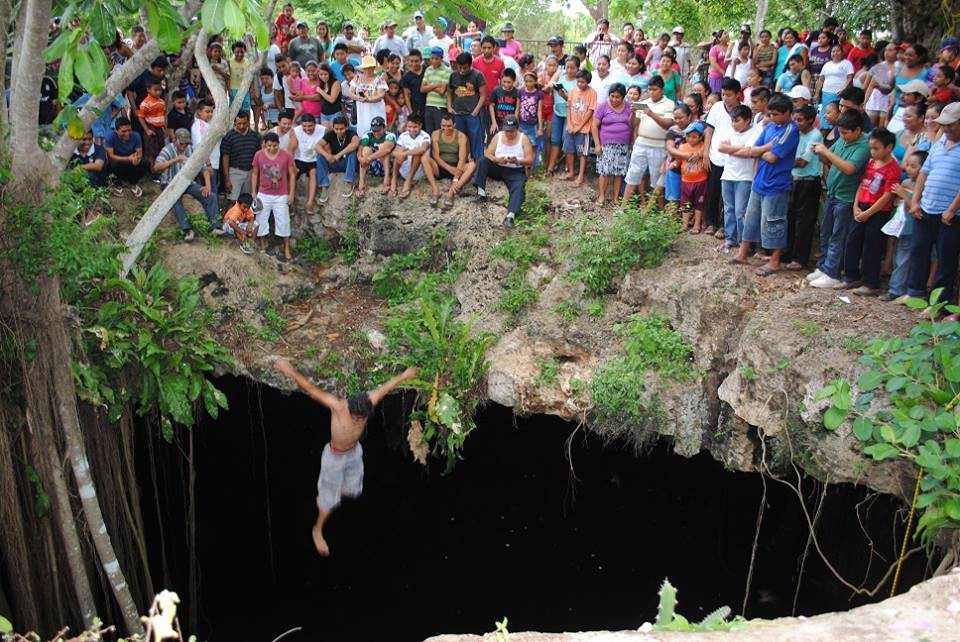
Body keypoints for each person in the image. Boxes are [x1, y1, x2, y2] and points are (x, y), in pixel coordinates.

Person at [272, 357, 418, 557]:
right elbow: (310, 389)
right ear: (348, 408)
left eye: (362, 418)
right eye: (355, 417)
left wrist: (405, 375)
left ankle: (329, 495)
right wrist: (287, 370)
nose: (358, 421)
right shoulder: (338, 406)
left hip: (354, 453)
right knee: (328, 502)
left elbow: (387, 386)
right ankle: (318, 529)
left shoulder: (369, 400)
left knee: (353, 491)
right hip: (334, 457)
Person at [731, 93, 800, 275]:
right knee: (751, 219)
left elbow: (772, 157)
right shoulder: (770, 128)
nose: (773, 117)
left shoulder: (790, 130)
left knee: (774, 221)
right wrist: (765, 148)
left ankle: (775, 260)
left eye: (777, 114)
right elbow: (754, 150)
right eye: (771, 114)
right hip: (760, 180)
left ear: (787, 113)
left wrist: (761, 151)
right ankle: (743, 253)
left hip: (777, 184)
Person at [807, 109, 871, 288]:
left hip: (847, 197)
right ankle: (824, 266)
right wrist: (819, 152)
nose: (842, 136)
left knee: (838, 235)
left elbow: (849, 168)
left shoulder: (864, 146)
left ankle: (832, 272)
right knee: (826, 233)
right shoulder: (843, 141)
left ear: (857, 130)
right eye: (840, 132)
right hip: (834, 193)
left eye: (845, 132)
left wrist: (826, 153)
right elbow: (828, 158)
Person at [906, 102, 960, 304]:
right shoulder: (939, 144)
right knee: (918, 251)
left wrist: (952, 209)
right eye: (944, 125)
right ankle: (914, 292)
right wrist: (915, 201)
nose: (946, 129)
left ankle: (939, 303)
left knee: (946, 260)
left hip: (950, 214)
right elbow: (924, 173)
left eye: (951, 125)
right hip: (926, 207)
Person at [841, 127, 901, 295]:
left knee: (872, 247)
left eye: (876, 148)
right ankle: (851, 275)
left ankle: (871, 282)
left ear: (888, 148)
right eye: (871, 148)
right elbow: (862, 184)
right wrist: (856, 206)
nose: (872, 151)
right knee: (852, 241)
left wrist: (869, 213)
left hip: (878, 212)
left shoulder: (893, 169)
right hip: (862, 207)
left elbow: (887, 196)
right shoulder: (872, 162)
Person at [152, 128, 220, 242]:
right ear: (176, 140)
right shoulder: (168, 149)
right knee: (174, 199)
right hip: (170, 183)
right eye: (182, 143)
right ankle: (187, 229)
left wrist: (207, 186)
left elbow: (203, 168)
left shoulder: (191, 149)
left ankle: (215, 226)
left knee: (211, 196)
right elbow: (156, 167)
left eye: (186, 143)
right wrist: (175, 160)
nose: (184, 146)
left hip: (187, 183)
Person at [472, 114, 533, 228]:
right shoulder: (498, 136)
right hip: (498, 167)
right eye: (507, 131)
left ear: (517, 129)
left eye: (512, 131)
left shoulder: (523, 139)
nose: (509, 134)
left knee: (519, 185)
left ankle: (510, 215)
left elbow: (530, 160)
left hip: (515, 171)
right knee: (483, 160)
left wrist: (518, 161)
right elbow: (488, 154)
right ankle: (481, 193)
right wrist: (497, 159)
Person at [881, 150, 926, 302]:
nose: (908, 168)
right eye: (907, 165)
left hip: (912, 227)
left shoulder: (924, 186)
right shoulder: (906, 183)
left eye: (914, 166)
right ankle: (898, 286)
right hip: (900, 226)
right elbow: (898, 204)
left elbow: (917, 207)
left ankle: (896, 289)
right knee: (897, 257)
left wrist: (905, 195)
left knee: (903, 259)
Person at [783, 105, 823, 271]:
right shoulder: (794, 132)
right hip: (794, 178)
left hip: (809, 181)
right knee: (790, 217)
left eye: (800, 120)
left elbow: (803, 161)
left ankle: (800, 258)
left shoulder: (815, 135)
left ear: (811, 120)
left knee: (804, 221)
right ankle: (787, 253)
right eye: (795, 119)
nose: (796, 123)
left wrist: (781, 160)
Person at [623, 75, 674, 204]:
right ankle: (623, 207)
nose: (652, 92)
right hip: (641, 142)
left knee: (657, 178)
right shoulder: (644, 102)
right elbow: (633, 124)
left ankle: (659, 209)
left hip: (658, 144)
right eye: (650, 89)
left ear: (661, 90)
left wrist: (651, 114)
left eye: (655, 89)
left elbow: (668, 123)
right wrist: (633, 113)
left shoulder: (669, 104)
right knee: (633, 174)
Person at [716, 104, 760, 249]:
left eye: (737, 121)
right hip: (728, 174)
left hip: (745, 177)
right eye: (732, 121)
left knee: (741, 211)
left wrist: (731, 149)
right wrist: (740, 149)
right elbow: (721, 147)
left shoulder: (755, 132)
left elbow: (750, 152)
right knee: (728, 209)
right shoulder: (730, 131)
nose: (733, 124)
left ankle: (744, 242)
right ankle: (731, 238)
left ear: (747, 120)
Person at [702, 78, 742, 238]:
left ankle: (725, 226)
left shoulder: (743, 110)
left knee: (729, 195)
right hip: (715, 156)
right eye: (723, 94)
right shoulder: (717, 107)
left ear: (737, 94)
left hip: (733, 158)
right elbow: (709, 131)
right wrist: (705, 153)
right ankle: (711, 222)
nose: (725, 98)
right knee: (713, 192)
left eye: (729, 95)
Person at [250, 131, 296, 260]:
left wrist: (291, 193)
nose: (271, 148)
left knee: (283, 221)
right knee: (261, 220)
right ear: (265, 144)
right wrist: (254, 191)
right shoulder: (258, 155)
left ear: (278, 144)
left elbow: (292, 174)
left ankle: (286, 248)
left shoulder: (286, 155)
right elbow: (254, 173)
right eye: (269, 145)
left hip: (281, 194)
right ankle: (263, 245)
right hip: (263, 193)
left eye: (274, 146)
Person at [591, 83, 631, 207]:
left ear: (623, 97)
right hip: (606, 145)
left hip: (623, 145)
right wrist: (597, 145)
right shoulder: (603, 107)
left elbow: (633, 124)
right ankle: (601, 196)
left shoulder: (629, 107)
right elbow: (594, 126)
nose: (614, 99)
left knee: (619, 172)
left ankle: (615, 198)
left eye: (617, 97)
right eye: (612, 96)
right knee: (604, 171)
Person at [429, 112, 476, 207]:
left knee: (472, 165)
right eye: (443, 125)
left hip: (457, 168)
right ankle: (435, 190)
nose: (446, 128)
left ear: (454, 124)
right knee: (425, 158)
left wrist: (455, 179)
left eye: (449, 126)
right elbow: (436, 156)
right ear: (440, 125)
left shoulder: (461, 136)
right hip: (441, 167)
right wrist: (449, 168)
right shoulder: (435, 134)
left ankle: (451, 193)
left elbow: (462, 159)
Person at [448, 52, 487, 161]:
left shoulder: (477, 75)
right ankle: (462, 162)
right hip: (458, 114)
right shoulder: (453, 75)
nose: (462, 70)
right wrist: (450, 107)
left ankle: (477, 163)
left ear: (470, 65)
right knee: (461, 140)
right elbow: (449, 92)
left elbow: (483, 95)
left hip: (472, 114)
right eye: (460, 67)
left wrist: (475, 112)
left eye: (465, 68)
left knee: (476, 139)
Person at [390, 115, 439, 200]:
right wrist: (400, 153)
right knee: (400, 150)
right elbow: (394, 152)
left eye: (415, 127)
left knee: (417, 152)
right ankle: (393, 180)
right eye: (409, 127)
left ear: (420, 125)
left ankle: (408, 182)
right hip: (405, 171)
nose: (412, 130)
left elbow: (423, 149)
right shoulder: (403, 136)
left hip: (420, 172)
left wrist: (405, 153)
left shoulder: (425, 136)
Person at [673, 121, 709, 232]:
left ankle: (697, 225)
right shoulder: (682, 147)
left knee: (699, 203)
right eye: (688, 136)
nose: (691, 139)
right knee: (685, 203)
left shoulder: (703, 147)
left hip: (701, 181)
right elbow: (678, 160)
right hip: (686, 181)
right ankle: (684, 224)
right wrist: (674, 164)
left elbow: (707, 154)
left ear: (700, 137)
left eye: (694, 137)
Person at [221, 111, 261, 208]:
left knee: (248, 200)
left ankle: (245, 221)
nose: (242, 126)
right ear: (235, 123)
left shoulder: (254, 136)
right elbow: (225, 158)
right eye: (239, 124)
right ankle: (228, 221)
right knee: (232, 200)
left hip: (250, 172)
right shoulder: (229, 136)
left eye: (244, 123)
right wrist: (227, 179)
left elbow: (258, 155)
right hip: (235, 171)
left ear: (248, 122)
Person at [563, 70, 597, 186]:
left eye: (583, 82)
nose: (580, 84)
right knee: (569, 149)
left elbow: (590, 111)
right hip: (571, 126)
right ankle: (571, 172)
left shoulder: (592, 93)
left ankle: (581, 176)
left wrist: (579, 126)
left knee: (582, 152)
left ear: (588, 82)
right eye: (578, 81)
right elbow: (568, 107)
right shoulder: (572, 91)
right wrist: (569, 124)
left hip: (583, 129)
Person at [316, 114, 360, 201]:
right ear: (333, 128)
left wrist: (338, 155)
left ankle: (349, 182)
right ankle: (324, 186)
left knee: (352, 153)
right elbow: (317, 146)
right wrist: (327, 155)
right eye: (336, 129)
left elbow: (355, 144)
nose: (339, 131)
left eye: (341, 129)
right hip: (335, 163)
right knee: (320, 156)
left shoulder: (351, 133)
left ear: (346, 127)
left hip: (347, 163)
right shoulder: (330, 134)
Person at [288, 113, 325, 213]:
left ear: (315, 124)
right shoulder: (297, 131)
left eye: (310, 126)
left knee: (313, 173)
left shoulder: (322, 130)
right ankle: (290, 203)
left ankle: (309, 203)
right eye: (304, 126)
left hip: (314, 159)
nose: (307, 128)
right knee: (292, 174)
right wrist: (293, 166)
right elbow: (291, 150)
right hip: (300, 158)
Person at [105, 117, 149, 196]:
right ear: (116, 130)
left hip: (131, 161)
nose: (127, 133)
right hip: (118, 161)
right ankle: (117, 184)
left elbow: (139, 153)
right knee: (111, 164)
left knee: (145, 162)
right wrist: (128, 158)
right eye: (123, 131)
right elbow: (111, 156)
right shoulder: (110, 137)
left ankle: (133, 183)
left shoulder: (136, 135)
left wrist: (137, 159)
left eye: (129, 130)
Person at [473, 36, 505, 139]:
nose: (486, 50)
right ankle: (480, 155)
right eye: (484, 47)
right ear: (481, 48)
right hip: (478, 103)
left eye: (489, 47)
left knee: (493, 132)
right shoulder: (475, 62)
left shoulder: (500, 63)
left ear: (494, 47)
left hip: (494, 103)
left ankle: (490, 154)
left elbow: (503, 82)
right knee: (479, 132)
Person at [357, 116, 397, 196]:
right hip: (372, 167)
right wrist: (360, 158)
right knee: (365, 150)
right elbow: (360, 149)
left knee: (383, 148)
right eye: (374, 130)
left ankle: (387, 179)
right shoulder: (367, 135)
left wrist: (369, 157)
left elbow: (386, 150)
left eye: (378, 130)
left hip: (388, 166)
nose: (376, 133)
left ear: (384, 128)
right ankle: (361, 182)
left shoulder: (390, 135)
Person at [348, 56, 387, 137]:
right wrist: (358, 98)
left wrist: (367, 99)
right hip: (362, 111)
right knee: (363, 133)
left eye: (371, 67)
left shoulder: (379, 79)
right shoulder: (357, 78)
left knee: (378, 131)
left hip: (376, 110)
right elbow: (350, 92)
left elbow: (380, 95)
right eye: (366, 67)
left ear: (374, 68)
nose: (369, 70)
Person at [517, 72, 544, 173]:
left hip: (533, 125)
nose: (528, 83)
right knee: (521, 145)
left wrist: (540, 128)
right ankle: (522, 168)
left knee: (533, 145)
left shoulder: (539, 94)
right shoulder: (520, 92)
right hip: (522, 124)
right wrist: (516, 123)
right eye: (526, 81)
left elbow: (539, 111)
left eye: (531, 81)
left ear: (535, 81)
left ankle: (532, 168)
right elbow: (517, 108)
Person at [137, 79, 167, 168]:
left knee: (160, 149)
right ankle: (152, 170)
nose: (158, 92)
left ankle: (160, 168)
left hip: (160, 128)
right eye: (156, 90)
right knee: (151, 151)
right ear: (148, 90)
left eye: (160, 90)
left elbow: (163, 115)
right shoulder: (145, 103)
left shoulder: (162, 102)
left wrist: (164, 127)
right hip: (151, 127)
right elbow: (140, 116)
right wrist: (147, 130)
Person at [815, 45, 854, 110]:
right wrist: (817, 93)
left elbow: (850, 77)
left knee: (838, 112)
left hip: (840, 94)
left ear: (842, 52)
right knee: (826, 112)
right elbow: (821, 79)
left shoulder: (847, 63)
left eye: (838, 51)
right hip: (826, 94)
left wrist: (844, 89)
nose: (835, 53)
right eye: (833, 51)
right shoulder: (827, 65)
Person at [421, 47, 450, 134]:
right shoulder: (428, 69)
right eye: (432, 58)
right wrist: (436, 85)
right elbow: (422, 89)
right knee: (430, 132)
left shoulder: (447, 71)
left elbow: (442, 91)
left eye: (436, 59)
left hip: (440, 106)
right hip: (428, 105)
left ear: (441, 58)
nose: (434, 61)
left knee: (439, 132)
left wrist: (429, 86)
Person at [489, 68, 519, 134]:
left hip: (510, 124)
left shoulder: (517, 92)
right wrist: (494, 122)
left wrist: (515, 124)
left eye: (509, 82)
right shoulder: (496, 90)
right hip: (498, 123)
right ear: (501, 79)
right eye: (504, 81)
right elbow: (491, 106)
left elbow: (517, 109)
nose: (506, 84)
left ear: (514, 81)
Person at [401, 49, 427, 123]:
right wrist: (411, 111)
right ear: (408, 61)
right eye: (411, 61)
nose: (414, 63)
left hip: (428, 106)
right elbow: (406, 95)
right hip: (415, 107)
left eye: (416, 61)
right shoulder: (406, 76)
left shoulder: (427, 70)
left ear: (421, 60)